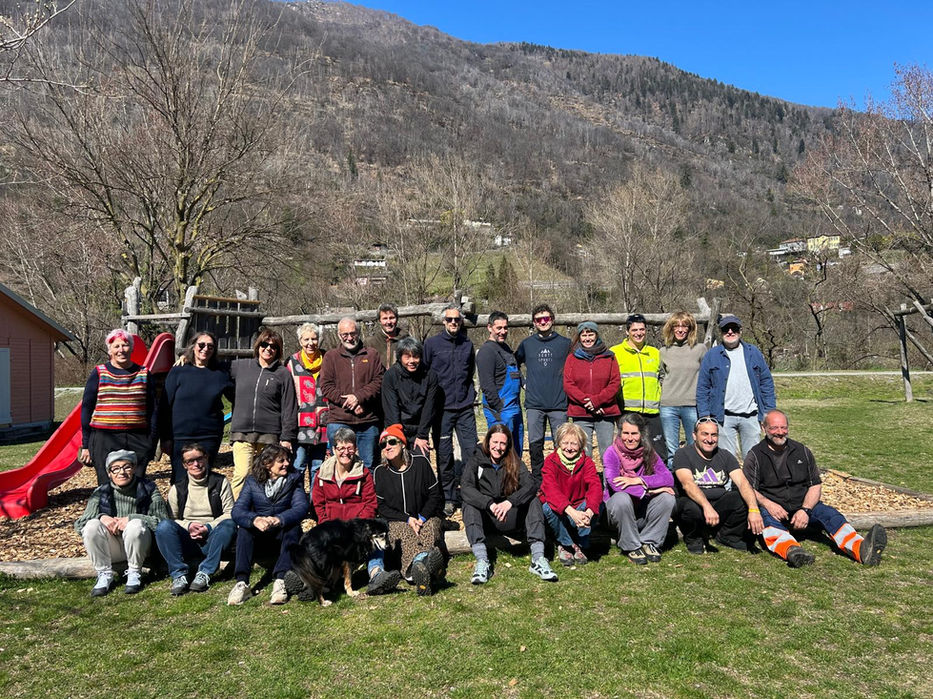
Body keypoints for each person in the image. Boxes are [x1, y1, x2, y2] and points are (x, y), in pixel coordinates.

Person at [743, 410, 887, 568]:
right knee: (767, 521)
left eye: (783, 427)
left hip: (802, 505)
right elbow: (748, 488)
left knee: (831, 515)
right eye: (774, 428)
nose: (780, 432)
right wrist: (768, 504)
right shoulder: (755, 455)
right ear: (764, 428)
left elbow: (815, 484)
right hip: (773, 508)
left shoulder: (802, 451)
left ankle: (860, 548)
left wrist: (805, 510)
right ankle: (792, 551)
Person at [461, 424, 558, 584]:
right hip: (487, 517)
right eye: (495, 442)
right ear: (488, 441)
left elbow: (531, 485)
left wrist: (510, 502)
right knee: (469, 503)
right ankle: (482, 561)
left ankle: (538, 559)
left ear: (508, 445)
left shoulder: (514, 461)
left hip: (510, 516)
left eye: (502, 443)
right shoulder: (476, 460)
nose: (498, 447)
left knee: (533, 500)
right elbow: (466, 488)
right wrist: (489, 504)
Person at [311, 427, 401, 595]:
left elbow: (370, 504)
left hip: (358, 528)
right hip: (333, 529)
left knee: (375, 539)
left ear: (356, 449)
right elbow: (318, 504)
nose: (345, 452)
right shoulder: (322, 474)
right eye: (341, 448)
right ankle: (313, 581)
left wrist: (357, 528)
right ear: (333, 450)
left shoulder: (364, 473)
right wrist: (327, 526)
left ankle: (377, 575)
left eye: (349, 448)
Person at [74, 449, 168, 596]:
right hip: (113, 548)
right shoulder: (101, 492)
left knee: (135, 525)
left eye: (127, 467)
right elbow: (79, 525)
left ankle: (134, 572)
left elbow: (163, 522)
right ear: (109, 473)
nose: (122, 472)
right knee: (91, 526)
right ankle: (104, 574)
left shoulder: (149, 488)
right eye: (116, 468)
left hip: (141, 546)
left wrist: (131, 518)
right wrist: (101, 517)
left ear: (134, 468)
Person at [228, 445, 309, 605]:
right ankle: (242, 582)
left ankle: (281, 580)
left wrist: (279, 519)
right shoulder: (252, 481)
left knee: (293, 527)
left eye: (287, 459)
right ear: (267, 464)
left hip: (282, 533)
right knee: (244, 529)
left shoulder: (294, 479)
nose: (286, 463)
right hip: (260, 533)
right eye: (281, 461)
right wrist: (255, 520)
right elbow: (238, 510)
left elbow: (301, 507)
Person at [371, 424, 446, 596]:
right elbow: (382, 507)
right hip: (398, 520)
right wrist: (407, 519)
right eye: (383, 444)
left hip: (425, 516)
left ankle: (420, 570)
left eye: (392, 442)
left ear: (402, 444)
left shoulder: (420, 462)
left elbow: (434, 495)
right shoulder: (380, 472)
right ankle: (422, 565)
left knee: (430, 528)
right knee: (404, 532)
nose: (387, 447)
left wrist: (421, 517)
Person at [154, 442, 237, 595]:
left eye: (199, 459)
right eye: (190, 461)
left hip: (213, 537)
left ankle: (205, 572)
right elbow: (172, 519)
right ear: (184, 465)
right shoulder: (177, 488)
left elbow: (230, 512)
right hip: (188, 539)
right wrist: (189, 526)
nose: (196, 464)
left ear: (206, 458)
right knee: (163, 527)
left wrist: (208, 527)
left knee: (229, 524)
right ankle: (179, 574)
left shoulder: (220, 482)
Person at [672, 418, 763, 554]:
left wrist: (754, 509)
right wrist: (706, 506)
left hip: (718, 503)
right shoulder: (683, 454)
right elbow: (687, 484)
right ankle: (694, 538)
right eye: (705, 434)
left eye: (714, 435)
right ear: (694, 436)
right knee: (690, 508)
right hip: (693, 503)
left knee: (741, 498)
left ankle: (728, 536)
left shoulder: (725, 455)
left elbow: (743, 482)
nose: (710, 439)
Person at [78, 329, 157, 485]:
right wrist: (86, 445)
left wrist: (152, 442)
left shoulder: (144, 374)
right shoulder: (99, 373)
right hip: (104, 438)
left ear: (132, 348)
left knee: (135, 483)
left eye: (125, 345)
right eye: (116, 346)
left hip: (137, 437)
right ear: (110, 350)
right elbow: (86, 409)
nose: (121, 350)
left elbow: (153, 410)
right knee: (106, 484)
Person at [229, 329, 298, 498]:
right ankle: (234, 509)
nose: (268, 348)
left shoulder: (282, 373)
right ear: (258, 346)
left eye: (273, 346)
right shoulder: (240, 366)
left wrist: (287, 437)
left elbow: (289, 406)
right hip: (242, 432)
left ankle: (265, 507)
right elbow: (214, 370)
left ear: (278, 350)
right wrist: (188, 357)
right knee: (242, 474)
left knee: (267, 475)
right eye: (264, 344)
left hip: (270, 434)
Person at [423, 303, 478, 516]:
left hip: (464, 407)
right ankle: (447, 496)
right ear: (443, 321)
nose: (453, 322)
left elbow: (469, 371)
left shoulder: (467, 344)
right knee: (444, 455)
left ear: (461, 322)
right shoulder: (432, 344)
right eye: (449, 319)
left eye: (457, 319)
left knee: (471, 451)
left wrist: (470, 395)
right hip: (441, 409)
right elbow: (426, 374)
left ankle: (469, 493)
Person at [696, 315, 776, 460]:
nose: (730, 332)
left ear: (740, 331)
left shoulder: (753, 353)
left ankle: (750, 476)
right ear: (721, 332)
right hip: (723, 417)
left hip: (751, 416)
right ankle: (730, 477)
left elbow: (766, 383)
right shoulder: (712, 355)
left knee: (753, 459)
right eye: (726, 329)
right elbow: (703, 387)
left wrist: (769, 413)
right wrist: (704, 415)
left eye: (734, 328)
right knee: (727, 460)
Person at [160, 331, 234, 484]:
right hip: (181, 436)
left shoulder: (220, 373)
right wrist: (165, 437)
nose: (205, 349)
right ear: (193, 346)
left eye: (210, 346)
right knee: (180, 480)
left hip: (209, 435)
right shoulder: (179, 371)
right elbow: (164, 406)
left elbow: (236, 398)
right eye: (201, 345)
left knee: (203, 478)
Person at [603, 413, 676, 565]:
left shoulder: (648, 451)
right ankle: (631, 546)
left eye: (634, 433)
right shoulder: (611, 453)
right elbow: (616, 485)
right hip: (618, 514)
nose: (630, 438)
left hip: (642, 510)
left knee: (667, 498)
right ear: (620, 433)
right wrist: (650, 490)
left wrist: (639, 480)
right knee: (621, 498)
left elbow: (668, 478)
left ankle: (650, 541)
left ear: (641, 434)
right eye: (626, 433)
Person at [319, 317, 384, 470]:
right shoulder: (331, 357)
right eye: (345, 334)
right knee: (340, 465)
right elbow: (326, 385)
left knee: (369, 465)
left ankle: (368, 487)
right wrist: (349, 402)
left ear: (358, 333)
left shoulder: (371, 355)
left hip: (367, 419)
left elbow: (379, 381)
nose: (349, 338)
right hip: (339, 419)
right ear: (339, 335)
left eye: (352, 333)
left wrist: (358, 398)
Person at [516, 303, 571, 485]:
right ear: (534, 322)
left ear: (552, 320)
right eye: (538, 319)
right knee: (535, 445)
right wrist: (522, 381)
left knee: (561, 445)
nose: (543, 322)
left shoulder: (565, 344)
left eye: (546, 318)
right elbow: (514, 363)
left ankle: (560, 480)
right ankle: (538, 482)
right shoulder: (527, 344)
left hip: (559, 404)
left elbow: (575, 366)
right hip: (534, 404)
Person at [539, 422, 602, 566]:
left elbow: (595, 487)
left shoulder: (587, 462)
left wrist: (589, 512)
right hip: (561, 510)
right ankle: (567, 544)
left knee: (596, 504)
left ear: (581, 445)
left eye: (573, 443)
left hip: (579, 507)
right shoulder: (550, 462)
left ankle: (581, 541)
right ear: (559, 443)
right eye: (565, 443)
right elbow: (551, 490)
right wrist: (571, 512)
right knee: (547, 507)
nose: (569, 447)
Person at [610, 313, 667, 463]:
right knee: (629, 452)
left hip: (652, 411)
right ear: (627, 331)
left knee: (658, 452)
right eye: (634, 330)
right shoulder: (615, 352)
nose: (638, 333)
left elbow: (662, 377)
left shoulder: (655, 353)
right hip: (628, 410)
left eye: (642, 329)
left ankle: (658, 477)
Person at [563, 321, 621, 460]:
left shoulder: (609, 357)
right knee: (583, 452)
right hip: (581, 413)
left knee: (607, 452)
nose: (587, 338)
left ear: (596, 335)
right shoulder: (572, 358)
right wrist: (587, 402)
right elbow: (568, 384)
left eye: (591, 334)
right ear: (579, 337)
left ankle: (609, 475)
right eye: (584, 335)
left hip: (605, 412)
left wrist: (597, 401)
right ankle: (586, 475)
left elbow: (615, 383)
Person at [659, 311, 708, 465]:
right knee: (672, 449)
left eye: (684, 326)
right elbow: (661, 375)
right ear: (671, 328)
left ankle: (694, 475)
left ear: (690, 328)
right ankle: (673, 477)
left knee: (694, 446)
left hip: (691, 405)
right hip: (668, 405)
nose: (680, 329)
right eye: (676, 326)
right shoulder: (663, 351)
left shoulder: (700, 349)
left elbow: (706, 376)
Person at [476, 310, 523, 456]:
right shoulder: (486, 352)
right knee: (501, 452)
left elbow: (516, 372)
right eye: (499, 328)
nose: (503, 332)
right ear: (489, 328)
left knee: (516, 452)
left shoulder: (506, 348)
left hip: (514, 408)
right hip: (501, 411)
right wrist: (499, 409)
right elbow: (487, 385)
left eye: (505, 328)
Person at [286, 323, 329, 483]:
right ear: (300, 341)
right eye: (306, 339)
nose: (310, 343)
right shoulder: (292, 362)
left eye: (314, 339)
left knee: (317, 467)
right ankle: (297, 498)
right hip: (300, 424)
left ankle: (314, 498)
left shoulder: (328, 359)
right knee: (298, 465)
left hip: (323, 423)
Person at [381, 336, 439, 453]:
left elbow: (429, 407)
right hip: (397, 427)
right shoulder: (391, 376)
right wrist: (397, 436)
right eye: (407, 357)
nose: (411, 361)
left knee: (420, 459)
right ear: (400, 357)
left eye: (415, 356)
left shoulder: (430, 375)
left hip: (420, 428)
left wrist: (422, 435)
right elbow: (391, 409)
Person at [366, 303, 411, 368]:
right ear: (379, 321)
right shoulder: (370, 343)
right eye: (385, 318)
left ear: (397, 319)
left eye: (392, 318)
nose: (389, 322)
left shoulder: (406, 340)